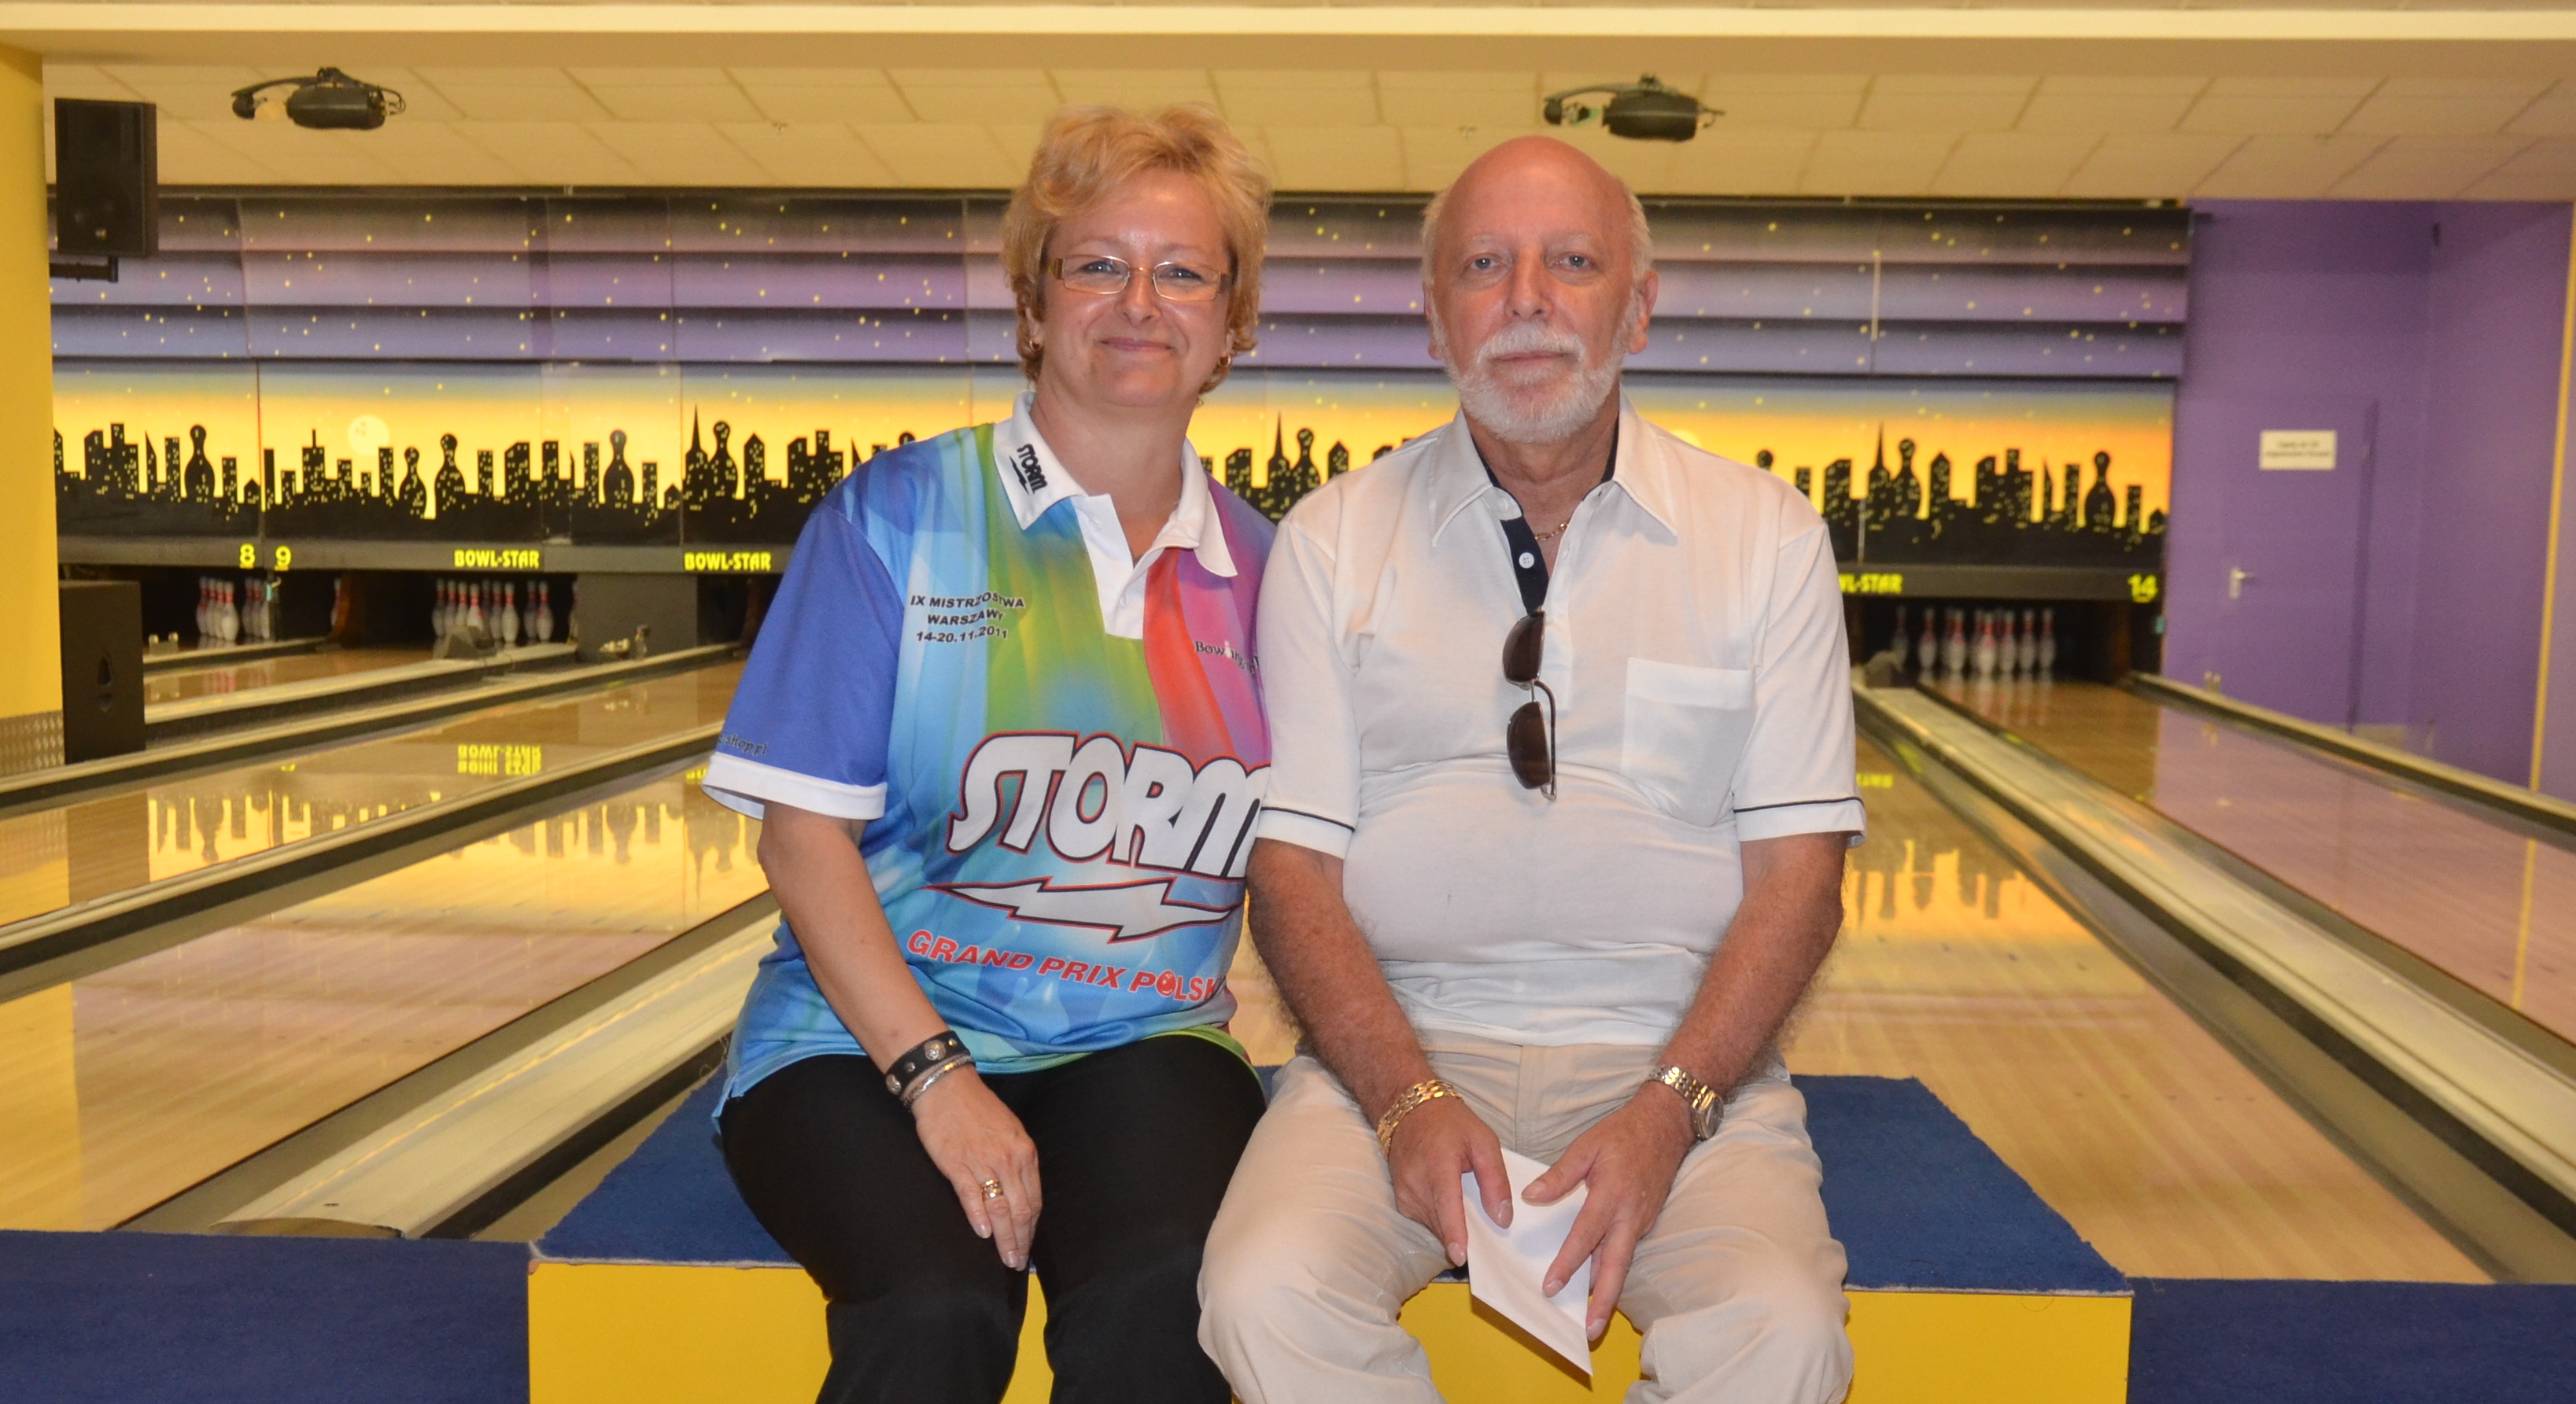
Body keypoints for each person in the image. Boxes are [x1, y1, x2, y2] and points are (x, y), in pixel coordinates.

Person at [1198, 135, 1865, 1403]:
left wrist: (1669, 1107)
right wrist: (1402, 1098)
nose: (1527, 301)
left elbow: (1799, 880)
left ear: (1639, 302)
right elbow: (1291, 874)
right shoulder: (1337, 538)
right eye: (1483, 266)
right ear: (1436, 312)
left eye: (1572, 262)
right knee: (1259, 1289)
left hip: (1677, 1062)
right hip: (1390, 1054)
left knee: (1779, 1333)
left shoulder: (1762, 537)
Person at [700, 105, 1275, 1404]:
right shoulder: (897, 518)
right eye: (1094, 263)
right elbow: (799, 835)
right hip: (860, 1040)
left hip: (1142, 1040)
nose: (1139, 300)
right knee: (935, 1298)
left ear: (1232, 322)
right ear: (1033, 302)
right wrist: (934, 1077)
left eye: (1183, 269)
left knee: (1169, 1294)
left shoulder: (1275, 578)